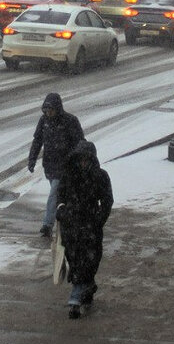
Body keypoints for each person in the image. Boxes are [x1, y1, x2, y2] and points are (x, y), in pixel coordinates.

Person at [57, 140, 114, 318]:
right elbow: (60, 196)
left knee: (90, 259)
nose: (82, 163)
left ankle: (82, 290)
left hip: (90, 224)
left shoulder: (100, 176)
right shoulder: (68, 176)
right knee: (74, 259)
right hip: (71, 224)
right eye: (80, 159)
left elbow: (107, 200)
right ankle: (81, 291)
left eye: (86, 159)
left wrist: (98, 220)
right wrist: (61, 211)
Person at [28, 93, 85, 237]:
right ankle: (70, 219)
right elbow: (37, 141)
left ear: (57, 108)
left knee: (54, 194)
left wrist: (76, 160)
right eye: (46, 110)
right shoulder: (44, 121)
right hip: (49, 165)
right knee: (60, 196)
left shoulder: (70, 121)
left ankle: (47, 225)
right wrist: (32, 159)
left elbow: (80, 143)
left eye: (51, 110)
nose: (48, 113)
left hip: (66, 166)